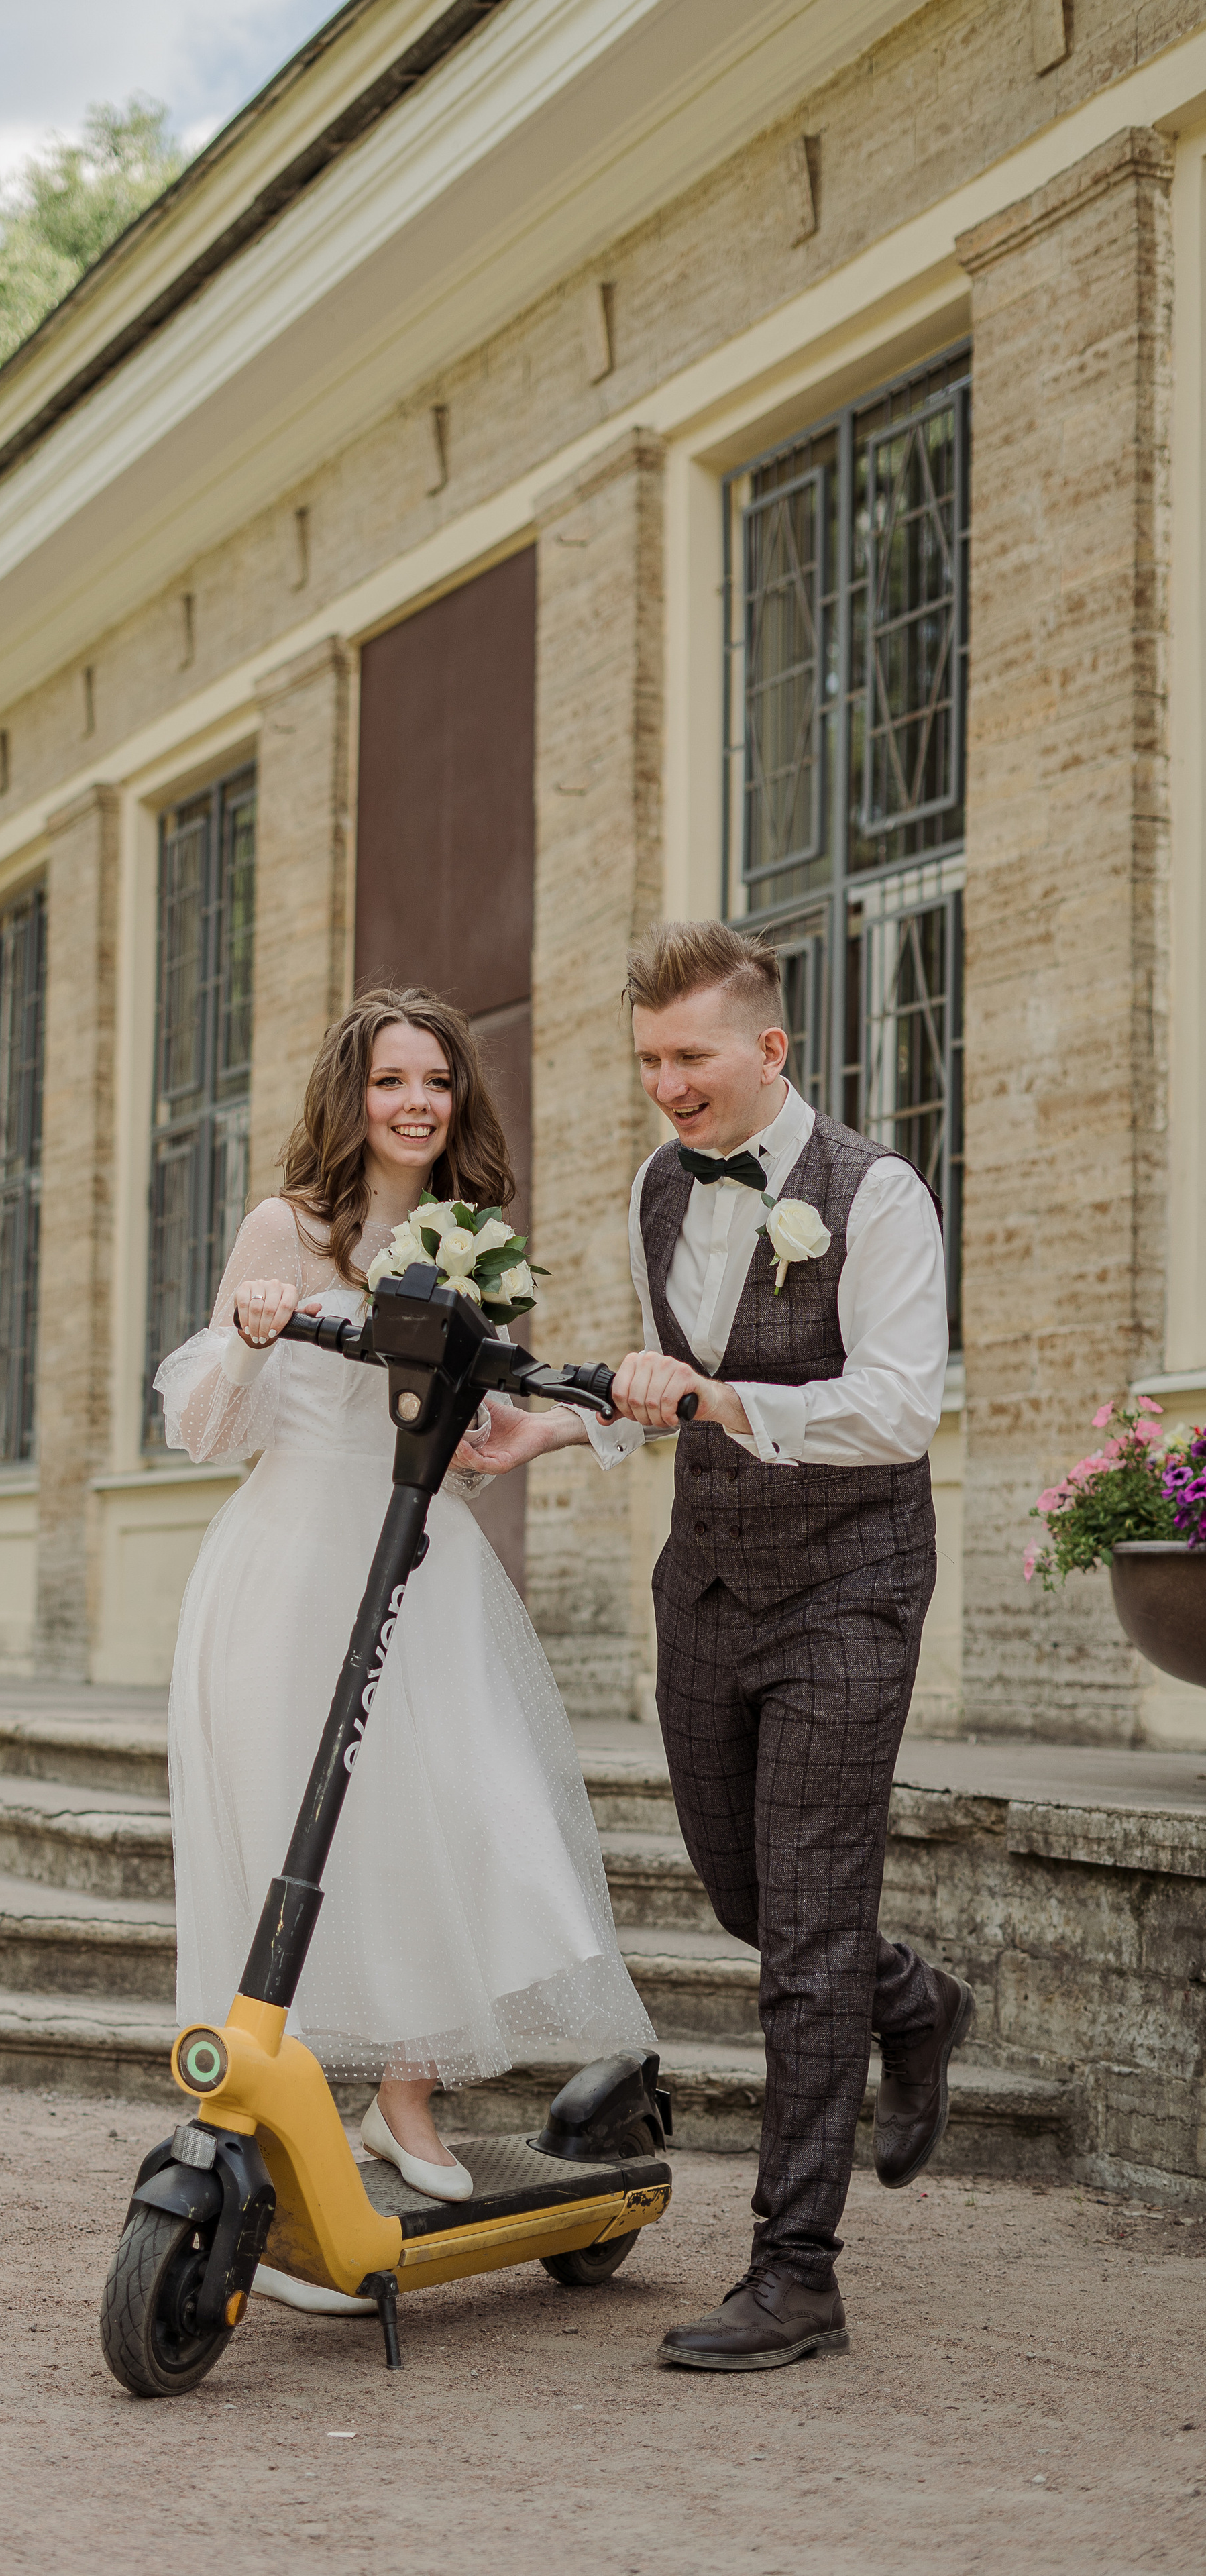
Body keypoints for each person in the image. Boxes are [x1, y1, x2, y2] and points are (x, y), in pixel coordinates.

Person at [464, 920, 967, 2370]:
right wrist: (552, 1428)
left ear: (767, 1049)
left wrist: (721, 1400)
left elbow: (893, 1409)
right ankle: (913, 2000)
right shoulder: (652, 1186)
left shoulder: (874, 1197)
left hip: (849, 1589)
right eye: (646, 1062)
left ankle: (792, 2273)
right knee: (752, 1900)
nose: (664, 1087)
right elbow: (651, 1382)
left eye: (687, 1058)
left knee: (801, 1947)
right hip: (704, 1588)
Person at [155, 987, 653, 2275]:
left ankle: (409, 2092)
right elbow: (206, 1427)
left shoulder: (467, 1234)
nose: (417, 1102)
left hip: (417, 1564)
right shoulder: (289, 1222)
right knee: (303, 1828)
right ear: (354, 1094)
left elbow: (465, 1442)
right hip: (286, 1570)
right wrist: (254, 1339)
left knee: (459, 1811)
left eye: (436, 1080)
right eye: (392, 1081)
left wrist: (503, 1435)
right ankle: (291, 2100)